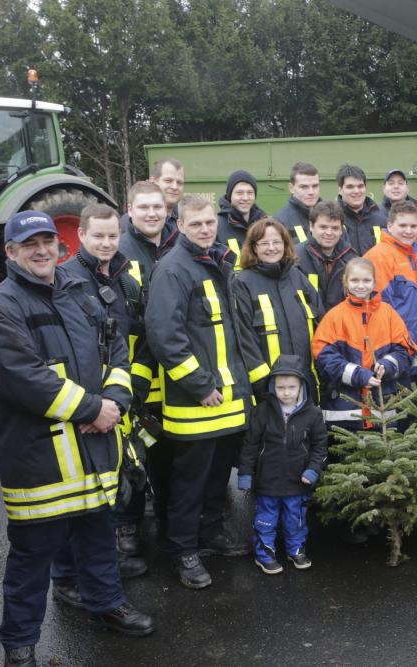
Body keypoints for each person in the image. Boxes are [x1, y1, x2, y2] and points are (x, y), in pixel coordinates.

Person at [0, 211, 154, 667]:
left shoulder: (78, 293)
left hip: (93, 451)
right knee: (32, 556)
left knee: (98, 533)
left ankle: (107, 604)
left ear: (60, 244)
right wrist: (93, 409)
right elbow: (23, 377)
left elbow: (115, 346)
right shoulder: (1, 306)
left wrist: (114, 398)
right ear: (10, 252)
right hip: (41, 460)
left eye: (47, 242)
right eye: (29, 244)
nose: (41, 251)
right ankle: (19, 644)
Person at [145, 194, 254, 590]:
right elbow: (165, 336)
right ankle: (183, 551)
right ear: (180, 225)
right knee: (189, 481)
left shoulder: (219, 260)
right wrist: (200, 385)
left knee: (215, 479)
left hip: (227, 397)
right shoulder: (174, 269)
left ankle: (212, 534)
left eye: (210, 223)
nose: (206, 229)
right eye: (196, 225)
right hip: (198, 401)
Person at [61, 204, 151, 580]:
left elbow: (141, 341)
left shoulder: (127, 283)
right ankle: (83, 570)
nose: (106, 243)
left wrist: (132, 392)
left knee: (123, 475)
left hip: (122, 396)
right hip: (85, 404)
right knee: (86, 487)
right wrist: (91, 405)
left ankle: (111, 553)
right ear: (81, 235)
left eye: (113, 236)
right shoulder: (65, 281)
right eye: (98, 236)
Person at [117, 181, 177, 552]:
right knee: (133, 451)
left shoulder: (177, 246)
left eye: (157, 207)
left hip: (171, 375)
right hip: (136, 373)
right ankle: (128, 527)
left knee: (168, 452)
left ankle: (171, 520)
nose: (152, 213)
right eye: (144, 208)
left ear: (167, 210)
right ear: (130, 209)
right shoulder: (119, 251)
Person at [236, 355, 328, 574]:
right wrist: (245, 474)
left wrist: (313, 470)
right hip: (268, 481)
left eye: (292, 387)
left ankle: (296, 549)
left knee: (295, 520)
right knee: (265, 520)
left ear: (301, 386)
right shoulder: (262, 411)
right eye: (281, 387)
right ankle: (264, 554)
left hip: (298, 481)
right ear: (272, 386)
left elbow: (320, 446)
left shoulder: (313, 414)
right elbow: (250, 445)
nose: (286, 392)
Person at [312, 258, 417, 430]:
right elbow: (323, 356)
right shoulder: (334, 316)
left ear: (375, 282)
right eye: (355, 280)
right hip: (344, 413)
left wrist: (386, 366)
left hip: (383, 410)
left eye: (366, 280)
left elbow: (406, 350)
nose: (361, 285)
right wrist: (357, 375)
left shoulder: (388, 313)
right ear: (345, 282)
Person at [233, 218, 324, 400]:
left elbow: (321, 323)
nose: (272, 248)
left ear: (286, 244)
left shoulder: (297, 277)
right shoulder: (242, 283)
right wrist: (264, 385)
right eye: (264, 243)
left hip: (306, 382)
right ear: (254, 248)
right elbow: (244, 339)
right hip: (270, 389)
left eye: (277, 242)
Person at [363, 200, 417, 380]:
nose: (409, 231)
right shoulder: (379, 257)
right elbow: (377, 310)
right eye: (402, 225)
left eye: (413, 225)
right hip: (396, 350)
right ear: (389, 225)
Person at [294, 199, 358, 313]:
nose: (329, 233)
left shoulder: (351, 258)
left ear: (341, 230)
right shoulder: (296, 258)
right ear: (311, 226)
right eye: (323, 227)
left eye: (335, 228)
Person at [216, 169, 267, 267]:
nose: (245, 198)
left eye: (250, 193)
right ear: (230, 195)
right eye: (239, 193)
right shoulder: (216, 226)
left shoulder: (264, 224)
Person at [337, 164, 387, 256]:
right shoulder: (333, 219)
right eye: (350, 187)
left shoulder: (381, 219)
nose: (356, 191)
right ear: (340, 190)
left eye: (360, 186)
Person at [274, 162, 321, 244]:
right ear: (291, 188)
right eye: (304, 187)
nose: (311, 192)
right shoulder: (280, 222)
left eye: (315, 186)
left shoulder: (329, 214)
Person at [150, 157, 185, 232]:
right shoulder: (140, 221)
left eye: (179, 182)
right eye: (168, 181)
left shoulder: (185, 218)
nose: (174, 187)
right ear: (153, 182)